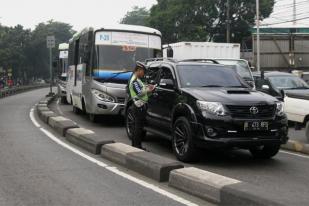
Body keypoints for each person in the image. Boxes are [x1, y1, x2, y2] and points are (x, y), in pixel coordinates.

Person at [128, 62, 156, 149]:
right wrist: (149, 89)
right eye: (143, 71)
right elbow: (140, 93)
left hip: (140, 106)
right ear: (139, 70)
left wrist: (148, 86)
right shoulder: (134, 81)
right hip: (139, 106)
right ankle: (137, 146)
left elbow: (141, 88)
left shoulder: (137, 80)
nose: (144, 74)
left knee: (138, 126)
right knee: (138, 127)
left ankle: (135, 145)